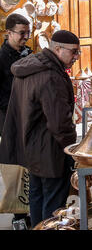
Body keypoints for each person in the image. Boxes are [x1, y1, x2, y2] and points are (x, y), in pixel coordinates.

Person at [0, 30, 80, 228]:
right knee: (53, 205)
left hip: (31, 147)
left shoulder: (30, 66)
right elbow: (59, 123)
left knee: (37, 197)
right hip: (50, 150)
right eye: (74, 52)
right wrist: (73, 149)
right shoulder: (50, 75)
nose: (77, 57)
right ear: (58, 49)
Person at [0, 13, 33, 229]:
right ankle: (17, 215)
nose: (26, 38)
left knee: (29, 166)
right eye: (22, 34)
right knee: (15, 165)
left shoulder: (28, 53)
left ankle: (29, 209)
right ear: (8, 33)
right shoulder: (1, 58)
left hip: (28, 117)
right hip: (9, 119)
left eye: (28, 33)